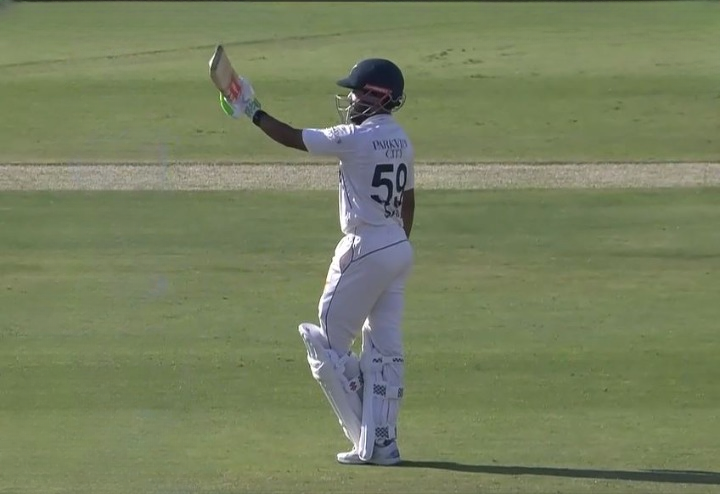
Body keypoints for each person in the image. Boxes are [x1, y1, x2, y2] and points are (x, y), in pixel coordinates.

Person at [218, 58, 415, 466]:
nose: (351, 100)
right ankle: (385, 443)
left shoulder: (356, 138)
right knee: (385, 352)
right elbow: (409, 200)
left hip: (366, 243)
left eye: (356, 93)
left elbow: (294, 137)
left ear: (378, 96)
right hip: (397, 246)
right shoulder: (401, 139)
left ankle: (364, 442)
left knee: (325, 343)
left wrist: (251, 110)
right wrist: (394, 250)